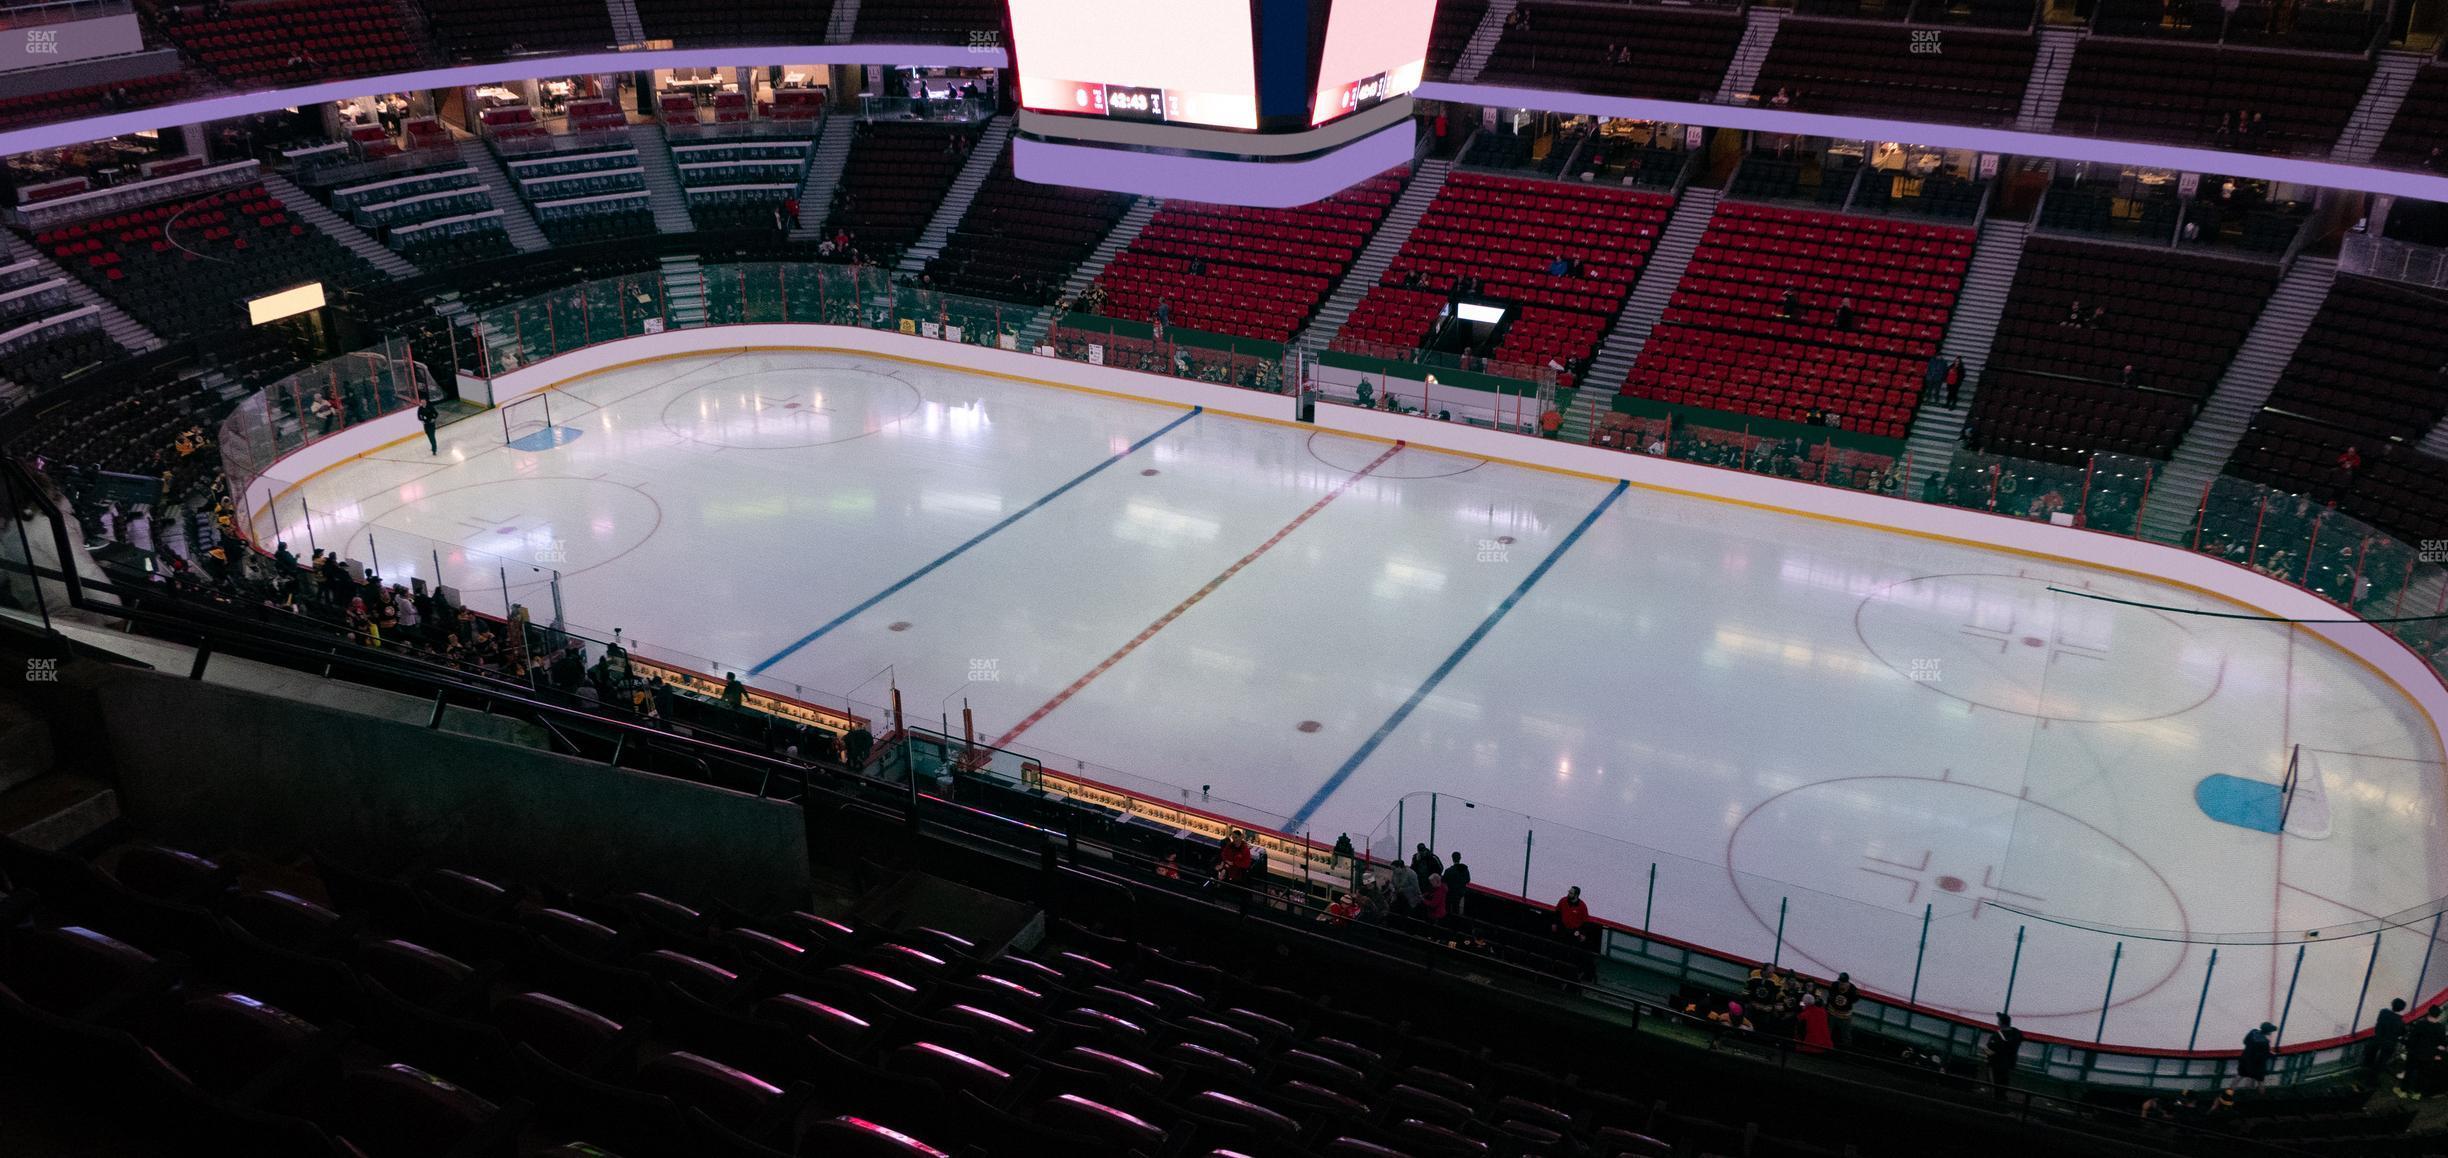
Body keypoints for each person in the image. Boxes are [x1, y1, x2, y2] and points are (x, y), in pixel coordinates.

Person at [2402, 1006, 2447, 1099]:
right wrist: (2437, 1053)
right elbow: (2442, 1044)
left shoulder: (2420, 1024)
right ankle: (2416, 1093)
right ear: (2439, 1015)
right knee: (2423, 1075)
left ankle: (2403, 1091)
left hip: (2415, 1053)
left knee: (2409, 1072)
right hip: (2429, 1056)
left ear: (2428, 1013)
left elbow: (2412, 1040)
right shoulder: (2441, 1028)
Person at [1982, 1013, 2023, 1096]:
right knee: (2003, 1085)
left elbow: (1988, 1050)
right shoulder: (2017, 1034)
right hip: (2009, 1064)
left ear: (2000, 1022)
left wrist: (1986, 1053)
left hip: (1996, 1064)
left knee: (1994, 1085)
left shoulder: (1996, 1036)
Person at [2369, 998, 2408, 1076]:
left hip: (2378, 1039)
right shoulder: (2400, 1022)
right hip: (2389, 1043)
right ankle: (2373, 1078)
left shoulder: (2383, 1012)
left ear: (2392, 1004)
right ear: (2402, 1009)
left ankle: (2369, 1071)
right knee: (2382, 1061)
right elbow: (2402, 1033)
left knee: (2372, 1058)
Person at [2237, 1021, 2275, 1088]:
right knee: (2260, 1081)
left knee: (2239, 1077)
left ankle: (2229, 1093)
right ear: (2268, 1032)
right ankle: (2259, 1096)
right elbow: (2265, 1055)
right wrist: (2272, 1055)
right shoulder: (2265, 1042)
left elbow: (2245, 1041)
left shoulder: (2253, 1032)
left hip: (2245, 1059)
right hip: (2255, 1064)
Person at [1827, 972, 1860, 1047]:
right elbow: (1830, 996)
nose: (1841, 984)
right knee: (1827, 1031)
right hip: (1832, 1012)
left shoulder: (1853, 990)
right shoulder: (1834, 985)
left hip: (1845, 1016)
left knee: (1846, 1035)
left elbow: (1856, 999)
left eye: (1843, 982)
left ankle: (1846, 1050)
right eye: (1840, 982)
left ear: (1847, 982)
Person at [1443, 851, 1471, 920]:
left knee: (1448, 909)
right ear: (1460, 858)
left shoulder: (1448, 871)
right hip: (1459, 894)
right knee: (1457, 911)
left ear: (1452, 858)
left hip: (1449, 893)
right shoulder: (1465, 870)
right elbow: (1468, 880)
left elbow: (1443, 881)